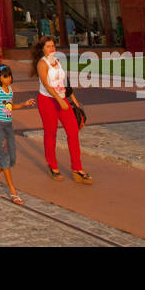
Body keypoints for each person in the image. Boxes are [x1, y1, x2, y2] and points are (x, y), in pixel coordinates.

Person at [34, 36, 91, 183]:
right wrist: (59, 100)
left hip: (62, 99)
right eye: (48, 46)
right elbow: (47, 85)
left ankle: (77, 169)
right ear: (42, 49)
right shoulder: (42, 63)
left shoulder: (57, 62)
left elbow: (64, 83)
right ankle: (53, 166)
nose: (52, 49)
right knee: (50, 133)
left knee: (73, 131)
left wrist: (75, 102)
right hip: (47, 101)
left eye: (53, 46)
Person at [0, 63, 35, 204]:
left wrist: (24, 104)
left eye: (10, 76)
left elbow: (9, 107)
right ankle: (13, 191)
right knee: (4, 157)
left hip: (8, 126)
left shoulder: (9, 90)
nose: (9, 79)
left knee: (12, 158)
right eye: (5, 77)